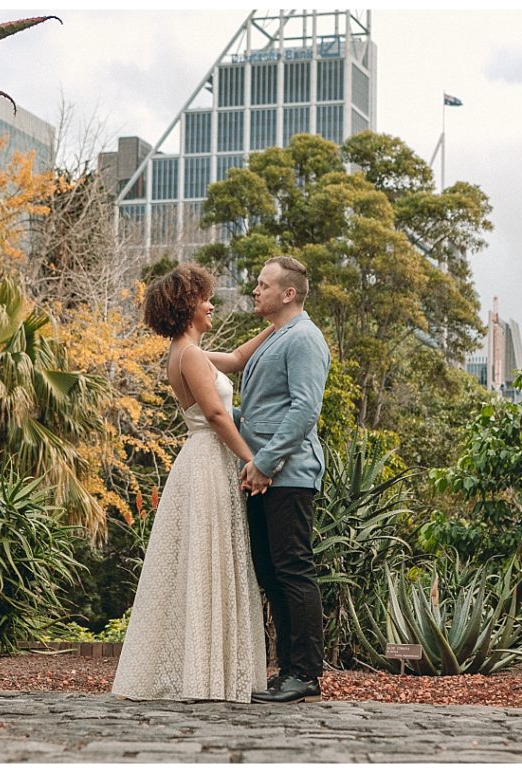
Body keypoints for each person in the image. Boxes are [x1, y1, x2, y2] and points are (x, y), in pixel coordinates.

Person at [111, 264, 274, 703]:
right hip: (206, 458)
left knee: (207, 557)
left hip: (201, 458)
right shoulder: (189, 355)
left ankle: (207, 669)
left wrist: (278, 325)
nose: (211, 304)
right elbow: (218, 416)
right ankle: (204, 674)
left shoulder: (188, 352)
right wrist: (254, 460)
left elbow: (238, 359)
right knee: (209, 557)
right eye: (205, 298)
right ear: (188, 307)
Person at [235, 256, 331, 704]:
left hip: (287, 474)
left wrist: (265, 463)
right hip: (262, 473)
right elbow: (260, 412)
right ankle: (287, 670)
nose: (255, 291)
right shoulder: (276, 337)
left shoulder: (305, 338)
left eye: (263, 284)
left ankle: (306, 675)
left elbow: (303, 410)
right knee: (272, 574)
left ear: (288, 293)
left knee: (293, 570)